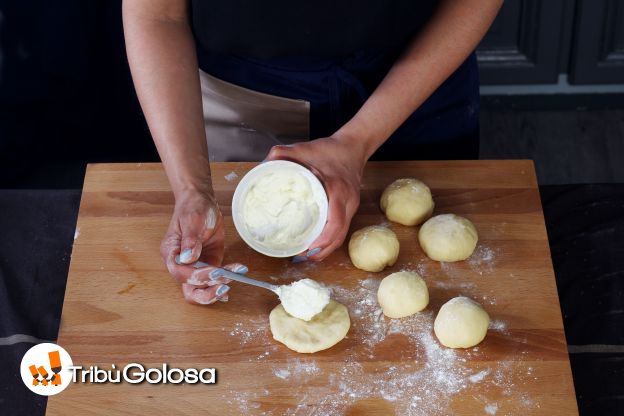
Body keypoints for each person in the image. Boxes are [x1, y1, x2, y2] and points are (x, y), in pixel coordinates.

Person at [122, 0, 503, 305]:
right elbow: (158, 15)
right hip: (244, 97)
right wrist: (192, 190)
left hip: (419, 77)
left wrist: (357, 141)